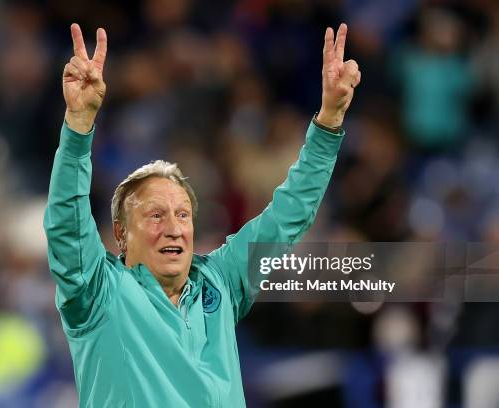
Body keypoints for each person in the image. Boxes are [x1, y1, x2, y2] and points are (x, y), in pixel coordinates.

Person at [43, 22, 360, 408]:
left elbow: (288, 214)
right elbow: (67, 225)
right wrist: (78, 127)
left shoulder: (221, 282)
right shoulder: (98, 293)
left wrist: (328, 121)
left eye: (183, 215)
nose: (174, 228)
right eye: (156, 216)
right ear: (122, 234)